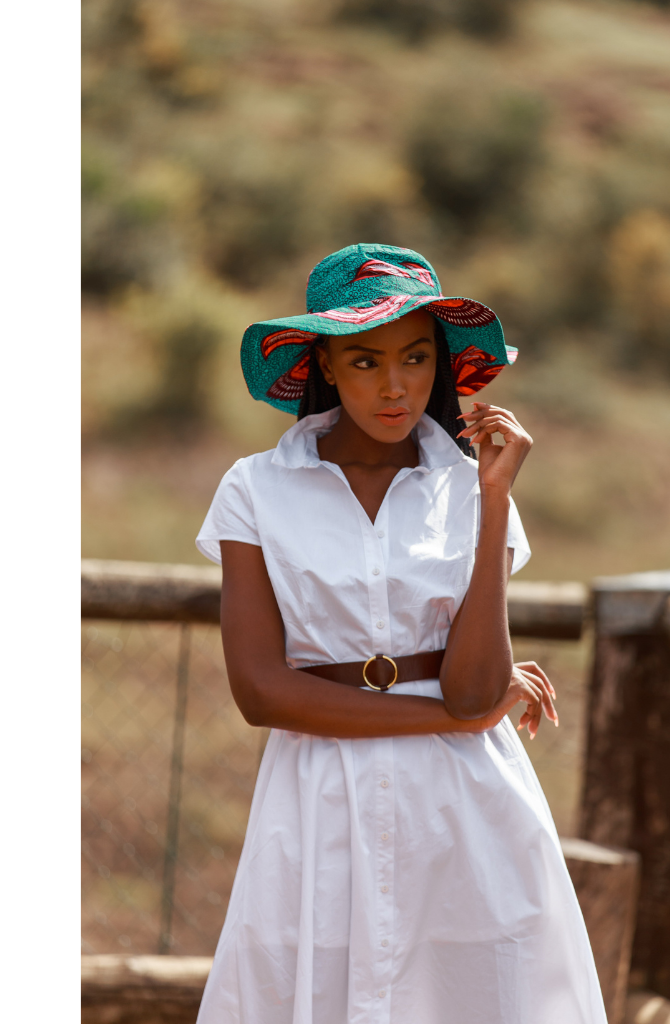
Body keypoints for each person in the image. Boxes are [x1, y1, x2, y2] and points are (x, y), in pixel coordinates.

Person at [194, 243, 608, 1023]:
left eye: (416, 358)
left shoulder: (474, 490)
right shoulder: (254, 489)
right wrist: (451, 719)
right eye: (365, 361)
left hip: (468, 813)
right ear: (324, 364)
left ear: (440, 363)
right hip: (316, 803)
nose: (395, 386)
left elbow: (476, 691)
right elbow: (260, 691)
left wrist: (493, 501)